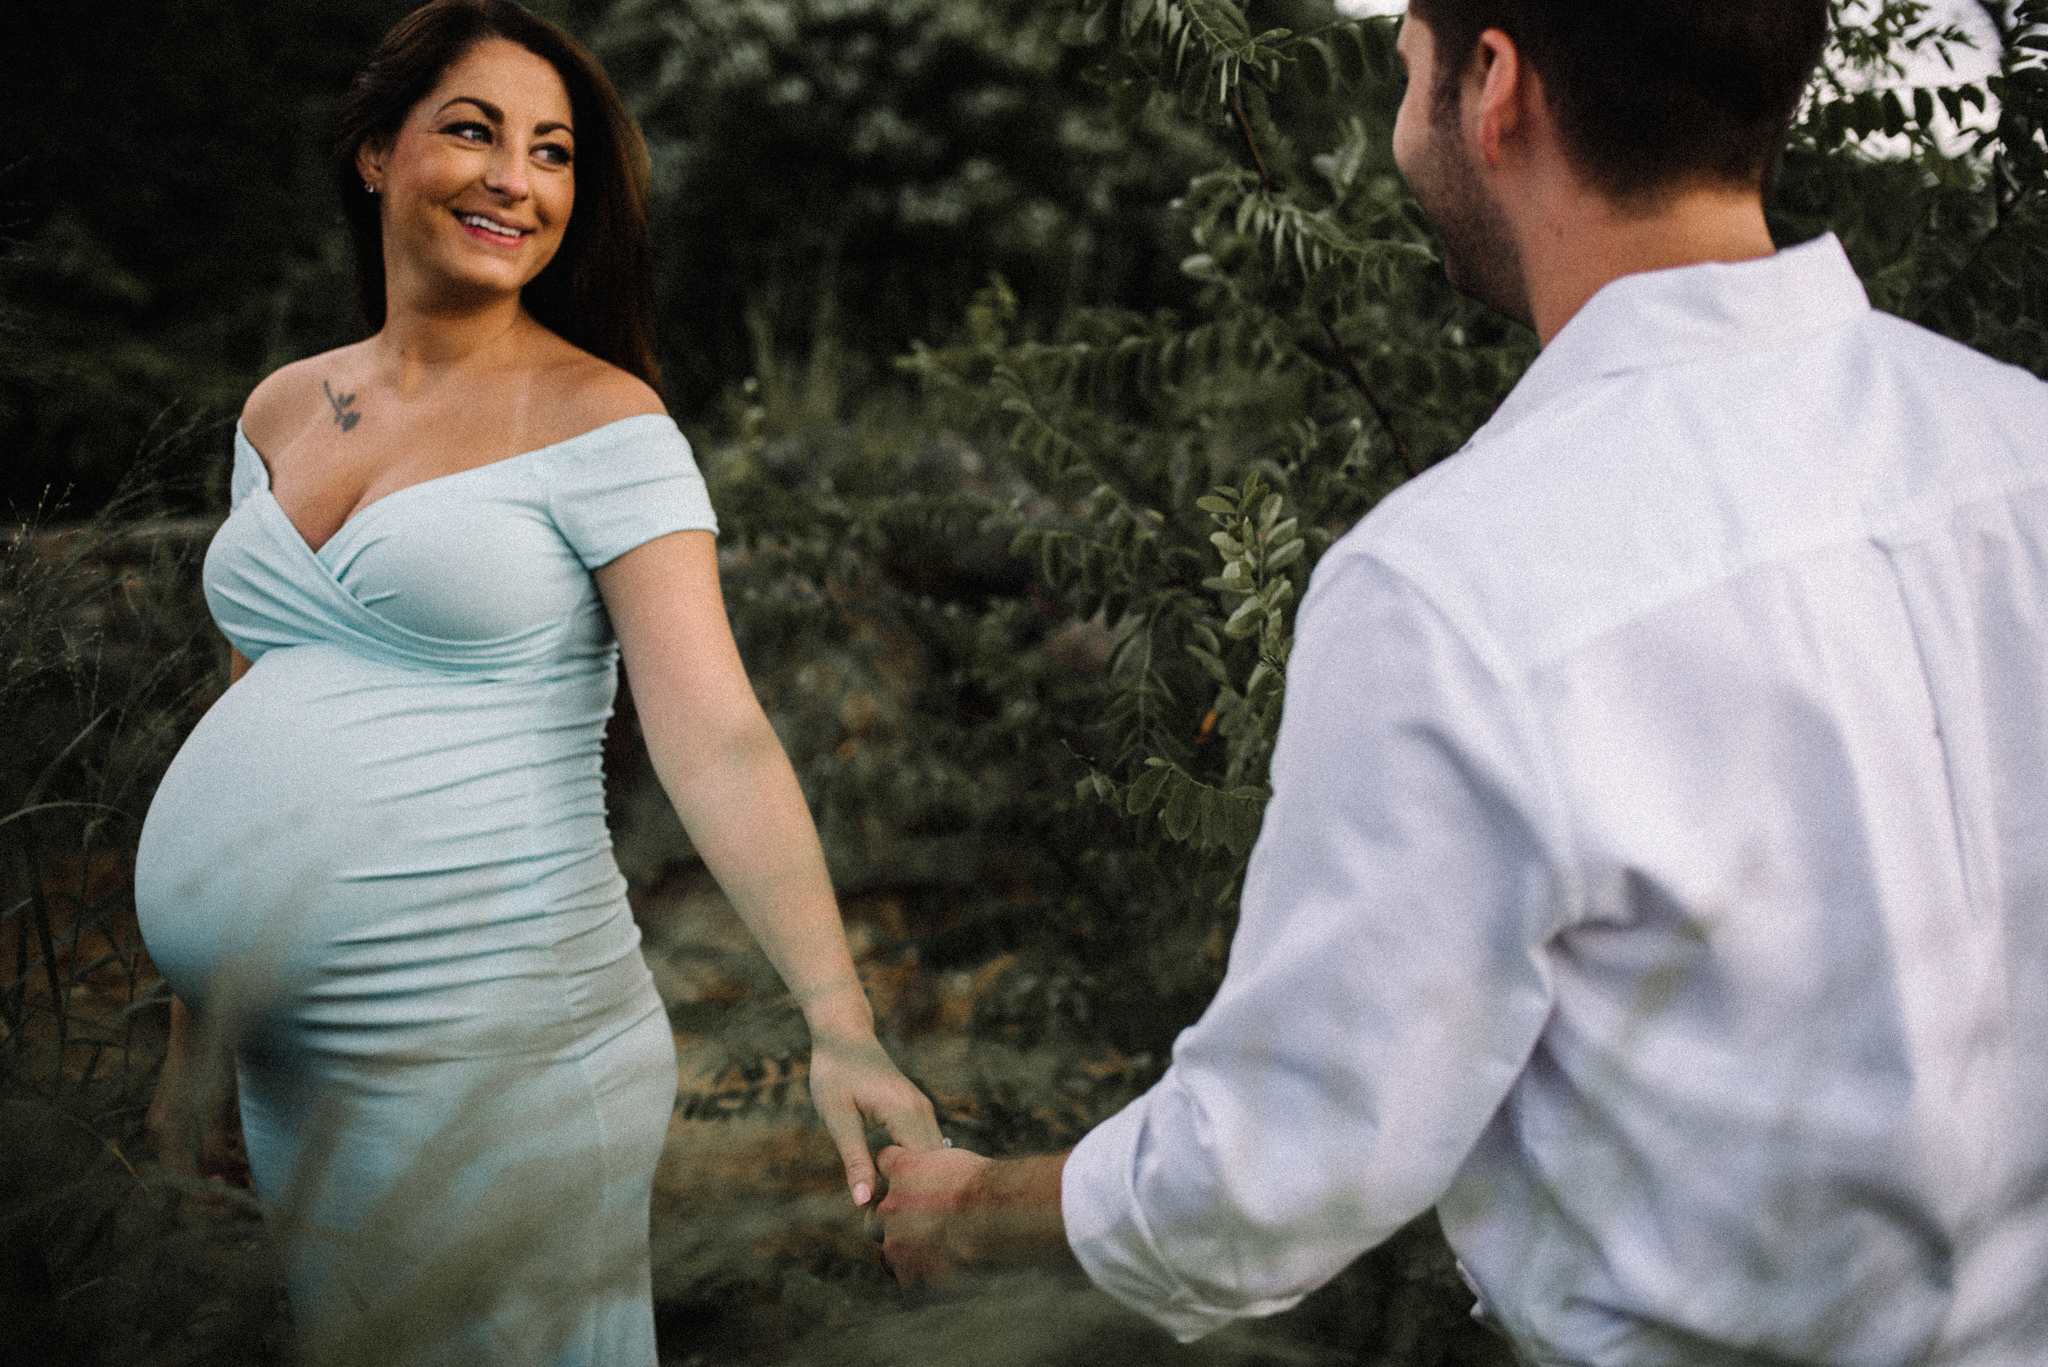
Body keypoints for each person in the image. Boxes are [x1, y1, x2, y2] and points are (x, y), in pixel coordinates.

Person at [874, 3, 2048, 1364]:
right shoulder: (2020, 444)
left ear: (1495, 87)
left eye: (1408, 66)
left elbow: (1279, 1164)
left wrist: (977, 1212)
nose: (1397, 118)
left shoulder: (1451, 586)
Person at [133, 2, 938, 1361]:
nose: (517, 177)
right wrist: (191, 1037)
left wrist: (839, 1021)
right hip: (286, 1067)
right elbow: (255, 709)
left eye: (553, 152)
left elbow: (717, 736)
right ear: (375, 155)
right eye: (473, 130)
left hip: (495, 1056)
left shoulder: (604, 425)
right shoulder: (279, 409)